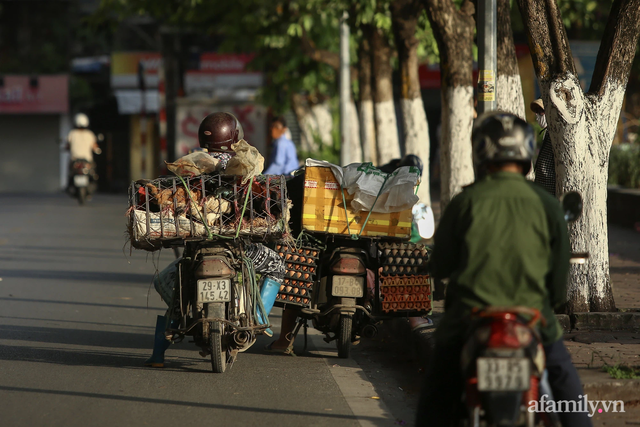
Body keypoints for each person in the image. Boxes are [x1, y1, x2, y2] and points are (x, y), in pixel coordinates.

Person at [416, 112, 591, 427]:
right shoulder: (548, 205)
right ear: (525, 151)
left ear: (481, 151)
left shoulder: (465, 202)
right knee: (565, 383)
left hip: (468, 318)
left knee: (436, 394)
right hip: (532, 317)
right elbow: (556, 287)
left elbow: (440, 264)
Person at [145, 112, 287, 368]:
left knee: (180, 290)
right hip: (237, 247)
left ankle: (158, 354)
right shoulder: (245, 164)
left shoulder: (190, 164)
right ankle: (258, 316)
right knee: (276, 264)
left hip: (198, 247)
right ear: (234, 137)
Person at [531, 98, 556, 196]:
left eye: (541, 111)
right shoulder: (547, 133)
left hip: (550, 191)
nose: (537, 115)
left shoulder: (556, 135)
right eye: (536, 112)